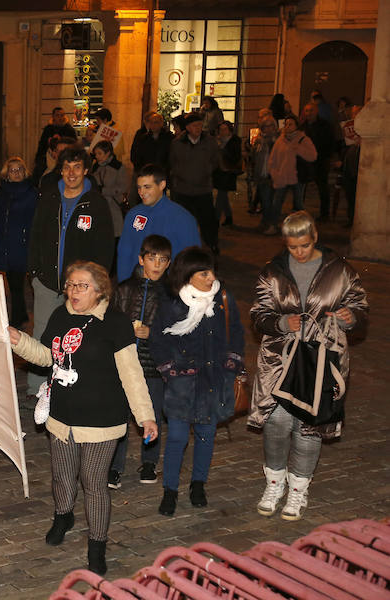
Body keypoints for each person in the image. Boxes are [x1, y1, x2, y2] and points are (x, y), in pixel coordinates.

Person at [9, 260, 157, 575]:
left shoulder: (116, 324)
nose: (74, 291)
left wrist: (145, 417)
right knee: (62, 476)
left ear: (100, 290)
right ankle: (63, 515)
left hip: (102, 421)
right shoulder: (61, 315)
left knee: (93, 482)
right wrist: (19, 341)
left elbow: (132, 376)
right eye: (71, 284)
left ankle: (97, 543)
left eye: (82, 285)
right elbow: (48, 357)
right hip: (62, 416)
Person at [248, 211, 367, 520]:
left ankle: (298, 490)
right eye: (292, 247)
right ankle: (274, 483)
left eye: (304, 245)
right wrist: (280, 322)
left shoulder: (340, 270)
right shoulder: (272, 272)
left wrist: (351, 318)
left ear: (315, 237)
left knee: (309, 426)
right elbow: (258, 314)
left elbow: (359, 307)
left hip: (323, 358)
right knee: (276, 422)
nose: (299, 252)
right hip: (280, 359)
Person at [150, 246, 244, 516]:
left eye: (212, 270)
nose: (210, 277)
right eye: (203, 272)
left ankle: (198, 484)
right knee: (177, 437)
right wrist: (170, 371)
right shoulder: (172, 303)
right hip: (182, 384)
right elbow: (158, 340)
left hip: (213, 381)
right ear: (188, 275)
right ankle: (170, 490)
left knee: (206, 435)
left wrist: (231, 365)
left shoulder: (223, 299)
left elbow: (235, 332)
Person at [27, 146, 114, 396]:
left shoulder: (96, 204)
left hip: (82, 287)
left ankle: (72, 385)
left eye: (77, 167)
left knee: (77, 337)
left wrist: (97, 283)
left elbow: (106, 245)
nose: (71, 172)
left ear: (86, 170)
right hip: (47, 281)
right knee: (42, 334)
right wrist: (34, 272)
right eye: (66, 167)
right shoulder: (49, 198)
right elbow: (35, 236)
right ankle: (36, 389)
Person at [109, 235, 172, 488]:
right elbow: (111, 324)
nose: (156, 264)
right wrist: (127, 331)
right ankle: (115, 466)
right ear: (141, 259)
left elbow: (176, 331)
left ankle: (149, 462)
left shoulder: (171, 295)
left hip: (153, 366)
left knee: (151, 415)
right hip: (125, 365)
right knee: (120, 416)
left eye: (162, 260)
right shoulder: (124, 289)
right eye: (151, 258)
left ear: (168, 264)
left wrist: (152, 333)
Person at [116, 164, 200, 283]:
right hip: (136, 287)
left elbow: (192, 260)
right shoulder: (133, 214)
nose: (141, 192)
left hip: (167, 289)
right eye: (139, 187)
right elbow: (125, 251)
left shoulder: (182, 218)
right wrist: (123, 284)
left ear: (162, 185)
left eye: (147, 187)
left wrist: (177, 289)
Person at [0, 157, 38, 326]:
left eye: (19, 169)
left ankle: (18, 319)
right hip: (6, 242)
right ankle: (20, 316)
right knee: (14, 282)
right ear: (7, 174)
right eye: (12, 170)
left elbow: (37, 218)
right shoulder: (2, 192)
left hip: (23, 242)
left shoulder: (32, 192)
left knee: (17, 281)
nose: (16, 173)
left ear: (25, 171)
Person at [169, 113, 220, 254]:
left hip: (203, 189)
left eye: (200, 125)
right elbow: (173, 162)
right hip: (182, 189)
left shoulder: (209, 142)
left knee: (208, 220)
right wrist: (180, 174)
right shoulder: (178, 143)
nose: (198, 128)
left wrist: (206, 171)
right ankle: (183, 246)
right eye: (195, 125)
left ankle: (211, 244)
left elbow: (215, 160)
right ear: (188, 128)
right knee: (183, 220)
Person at [265, 115, 317, 235]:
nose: (287, 127)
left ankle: (302, 229)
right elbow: (273, 159)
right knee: (277, 202)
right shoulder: (280, 140)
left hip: (297, 177)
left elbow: (313, 156)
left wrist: (297, 148)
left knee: (298, 204)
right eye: (286, 124)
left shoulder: (303, 139)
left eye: (291, 124)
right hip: (282, 176)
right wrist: (274, 173)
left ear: (296, 126)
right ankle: (273, 225)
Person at [299, 102, 336, 221]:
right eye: (307, 111)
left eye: (311, 110)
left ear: (316, 111)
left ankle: (324, 214)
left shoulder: (325, 126)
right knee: (301, 187)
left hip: (320, 160)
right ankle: (299, 210)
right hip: (305, 162)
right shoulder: (302, 127)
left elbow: (330, 142)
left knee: (322, 187)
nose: (309, 113)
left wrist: (327, 157)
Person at [91, 140, 130, 244]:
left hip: (114, 205)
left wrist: (104, 191)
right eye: (96, 154)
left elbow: (123, 187)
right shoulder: (95, 167)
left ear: (108, 153)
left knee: (114, 234)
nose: (97, 156)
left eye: (100, 154)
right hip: (99, 204)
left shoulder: (118, 167)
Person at [32, 107, 78, 184]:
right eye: (57, 115)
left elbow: (74, 145)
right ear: (53, 116)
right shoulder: (48, 129)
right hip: (47, 160)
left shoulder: (69, 130)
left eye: (62, 115)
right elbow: (42, 145)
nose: (60, 118)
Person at [249, 116, 279, 223]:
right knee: (265, 200)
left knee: (269, 200)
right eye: (266, 126)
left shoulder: (278, 140)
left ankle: (269, 222)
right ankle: (267, 221)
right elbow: (254, 157)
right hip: (261, 173)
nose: (269, 128)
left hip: (273, 174)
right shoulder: (259, 140)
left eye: (271, 126)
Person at [213, 121, 243, 227]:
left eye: (225, 129)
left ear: (230, 130)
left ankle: (215, 219)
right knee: (223, 195)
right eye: (220, 129)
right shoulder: (217, 141)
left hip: (229, 171)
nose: (222, 132)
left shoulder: (234, 141)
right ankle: (229, 217)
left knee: (221, 195)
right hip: (219, 171)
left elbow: (234, 157)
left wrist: (222, 149)